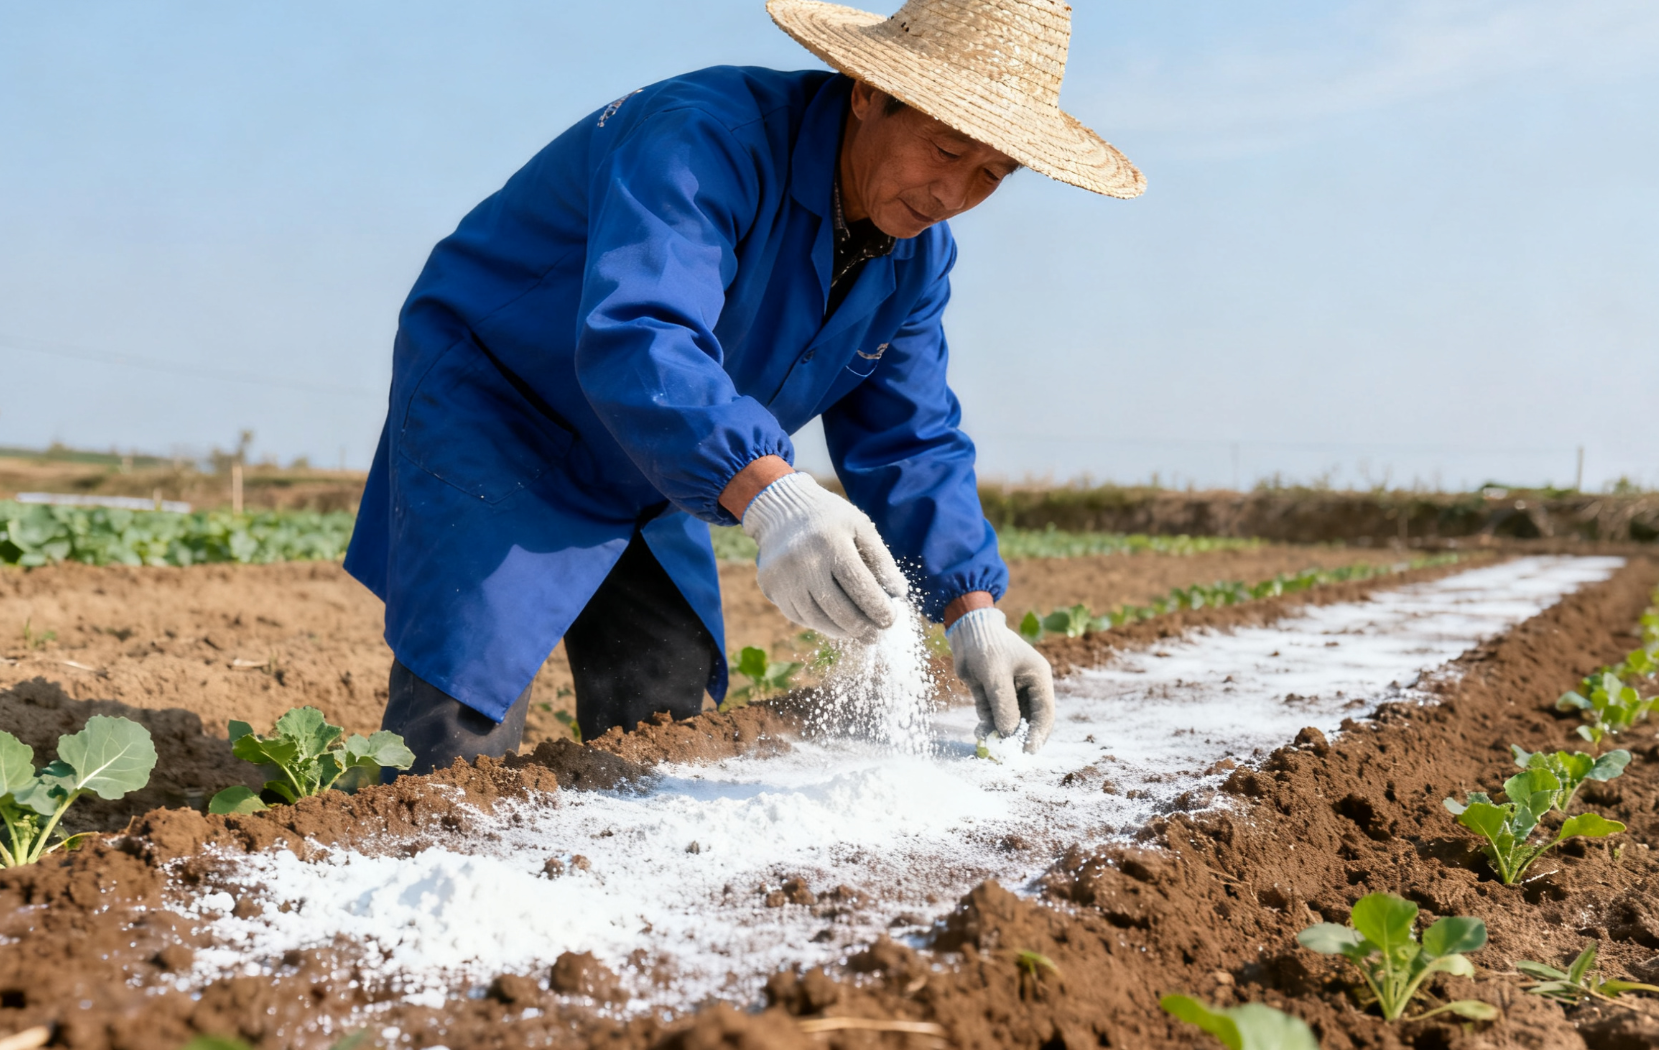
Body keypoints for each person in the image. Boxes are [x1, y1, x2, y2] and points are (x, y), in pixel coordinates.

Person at [344, 0, 1144, 775]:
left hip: (654, 450)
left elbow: (910, 436)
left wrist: (973, 611)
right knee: (465, 712)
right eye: (943, 149)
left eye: (991, 174)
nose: (951, 196)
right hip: (505, 411)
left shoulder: (915, 257)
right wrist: (776, 497)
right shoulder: (703, 141)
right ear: (869, 93)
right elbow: (640, 334)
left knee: (662, 702)